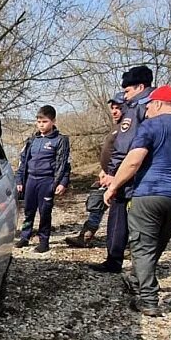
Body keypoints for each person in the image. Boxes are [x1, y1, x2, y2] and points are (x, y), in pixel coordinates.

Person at [102, 85, 171, 317]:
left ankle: (148, 299)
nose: (147, 109)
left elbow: (133, 161)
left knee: (143, 245)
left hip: (149, 193)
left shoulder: (150, 126)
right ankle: (135, 278)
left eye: (149, 105)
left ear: (159, 103)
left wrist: (114, 186)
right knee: (157, 241)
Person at [90, 65, 154, 273]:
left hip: (130, 177)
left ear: (140, 87)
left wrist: (113, 176)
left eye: (127, 91)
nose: (125, 97)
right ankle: (142, 268)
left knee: (118, 216)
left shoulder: (136, 110)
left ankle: (114, 260)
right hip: (151, 179)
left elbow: (125, 148)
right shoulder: (159, 106)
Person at [66, 93, 126, 248]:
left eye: (118, 108)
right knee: (97, 204)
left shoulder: (128, 128)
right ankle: (85, 236)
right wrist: (103, 169)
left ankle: (127, 244)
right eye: (112, 108)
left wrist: (113, 174)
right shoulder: (116, 127)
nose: (114, 111)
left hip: (121, 176)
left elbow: (125, 154)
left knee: (123, 211)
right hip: (108, 174)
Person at [14, 105, 70, 253]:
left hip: (47, 181)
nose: (41, 125)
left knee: (45, 212)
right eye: (38, 122)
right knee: (28, 210)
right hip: (31, 180)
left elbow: (64, 164)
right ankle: (25, 237)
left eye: (44, 121)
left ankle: (43, 241)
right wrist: (19, 180)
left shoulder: (60, 140)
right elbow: (23, 161)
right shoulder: (32, 140)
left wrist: (62, 182)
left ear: (53, 121)